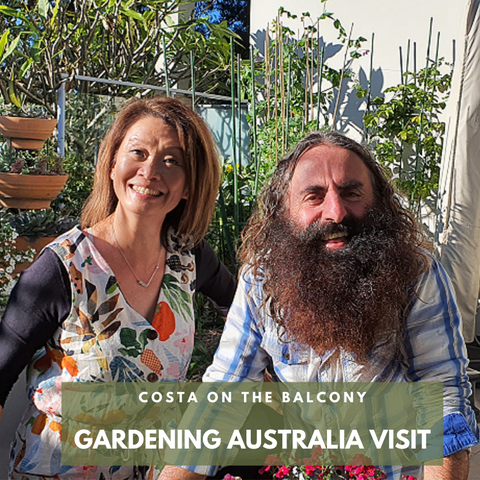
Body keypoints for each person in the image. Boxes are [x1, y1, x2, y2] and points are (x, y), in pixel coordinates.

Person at [161, 131, 479, 480]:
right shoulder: (262, 280)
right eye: (314, 196)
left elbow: (442, 397)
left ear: (378, 202)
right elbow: (223, 393)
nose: (335, 212)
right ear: (285, 211)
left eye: (351, 192)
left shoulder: (415, 274)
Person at [0, 96, 236, 480]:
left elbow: (246, 315)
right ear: (112, 165)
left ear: (190, 185)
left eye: (172, 161)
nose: (150, 171)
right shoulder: (63, 269)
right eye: (137, 152)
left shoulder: (188, 259)